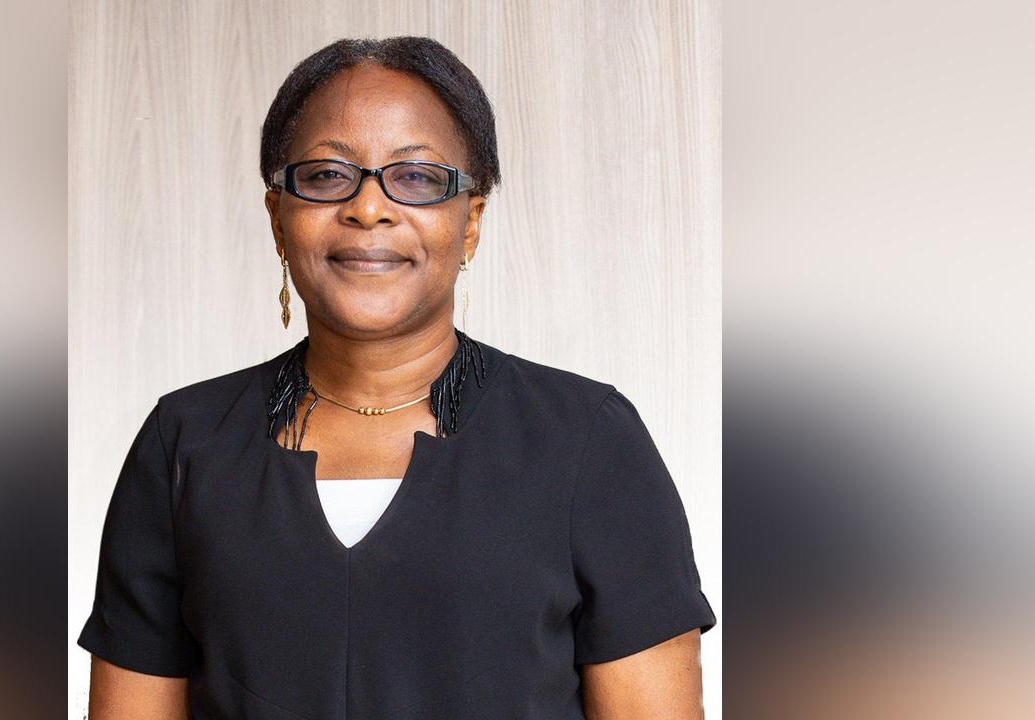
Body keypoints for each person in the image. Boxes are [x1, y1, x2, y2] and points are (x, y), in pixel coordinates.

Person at [78, 36, 717, 720]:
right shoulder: (185, 443)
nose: (369, 207)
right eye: (327, 174)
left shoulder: (587, 440)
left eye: (415, 177)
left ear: (469, 224)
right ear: (278, 218)